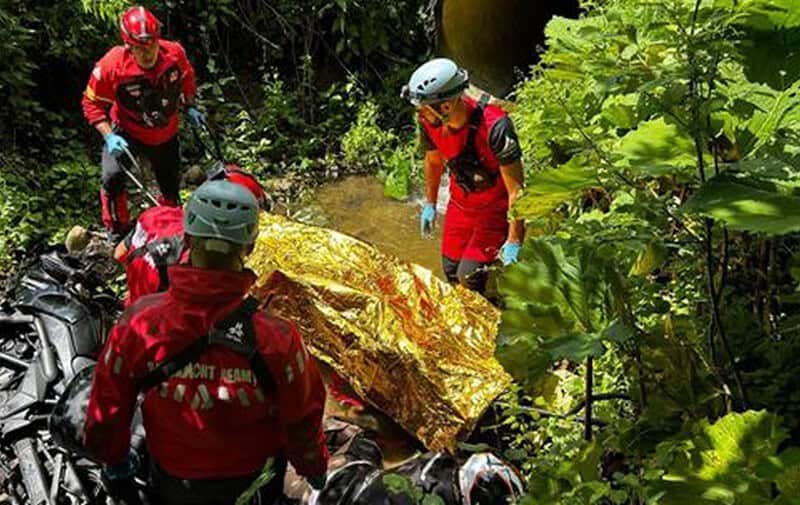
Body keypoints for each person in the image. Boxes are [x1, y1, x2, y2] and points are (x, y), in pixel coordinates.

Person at [83, 179, 329, 504]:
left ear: (185, 237)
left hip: (173, 479)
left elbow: (107, 408)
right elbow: (302, 419)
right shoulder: (278, 338)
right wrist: (313, 468)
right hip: (252, 483)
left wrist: (113, 459)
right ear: (250, 248)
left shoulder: (139, 323)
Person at [82, 5, 205, 241]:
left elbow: (187, 77)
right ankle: (118, 230)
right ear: (129, 46)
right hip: (126, 131)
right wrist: (109, 135)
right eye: (140, 48)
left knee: (169, 183)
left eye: (152, 46)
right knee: (112, 177)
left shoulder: (174, 55)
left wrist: (190, 106)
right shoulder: (112, 66)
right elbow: (91, 103)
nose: (148, 53)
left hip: (165, 131)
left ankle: (170, 223)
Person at [402, 58, 525, 294]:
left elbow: (516, 190)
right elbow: (434, 161)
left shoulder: (496, 126)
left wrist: (514, 240)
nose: (419, 116)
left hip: (495, 209)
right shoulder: (430, 123)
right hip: (461, 203)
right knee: (450, 271)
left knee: (469, 277)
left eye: (423, 110)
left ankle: (497, 317)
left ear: (445, 106)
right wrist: (430, 203)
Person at [113, 163, 268, 306]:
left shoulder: (153, 216)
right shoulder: (201, 271)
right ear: (249, 246)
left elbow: (119, 254)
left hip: (133, 313)